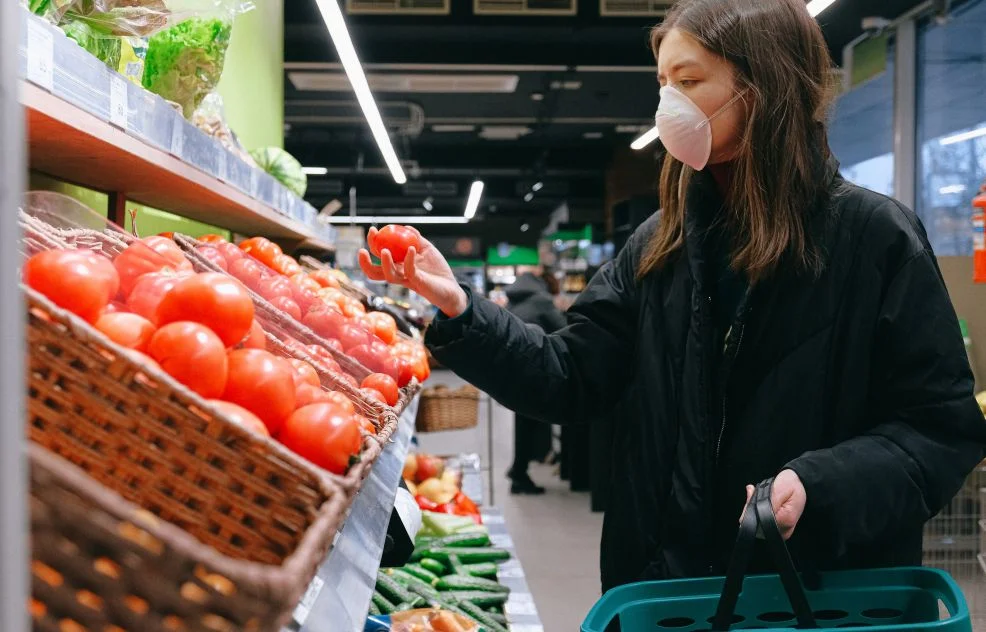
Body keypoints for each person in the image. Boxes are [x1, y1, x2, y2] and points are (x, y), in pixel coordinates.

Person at [360, 0, 986, 592]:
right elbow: (571, 375)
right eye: (662, 83)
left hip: (813, 596)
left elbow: (940, 430)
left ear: (761, 87)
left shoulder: (873, 239)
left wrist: (820, 483)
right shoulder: (659, 244)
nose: (667, 105)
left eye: (688, 81)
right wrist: (461, 310)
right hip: (666, 591)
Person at [503, 270, 567, 494]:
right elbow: (564, 329)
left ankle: (519, 469)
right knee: (531, 422)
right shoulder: (542, 300)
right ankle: (520, 474)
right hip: (533, 371)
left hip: (512, 371)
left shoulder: (513, 300)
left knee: (525, 423)